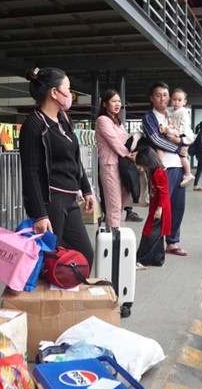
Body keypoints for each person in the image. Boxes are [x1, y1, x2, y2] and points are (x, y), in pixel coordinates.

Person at [20, 66, 95, 266]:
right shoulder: (34, 124)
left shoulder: (64, 119)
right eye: (68, 89)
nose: (70, 94)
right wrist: (40, 214)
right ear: (55, 92)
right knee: (52, 259)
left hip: (70, 198)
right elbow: (30, 172)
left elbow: (74, 159)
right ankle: (47, 295)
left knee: (85, 255)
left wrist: (86, 190)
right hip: (50, 200)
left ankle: (62, 292)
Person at [141, 82, 188, 257]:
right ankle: (154, 245)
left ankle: (172, 242)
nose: (163, 98)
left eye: (165, 95)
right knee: (160, 208)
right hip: (162, 169)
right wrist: (178, 148)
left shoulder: (175, 115)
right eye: (158, 95)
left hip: (179, 167)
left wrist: (184, 143)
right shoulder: (149, 118)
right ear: (151, 98)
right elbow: (155, 139)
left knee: (178, 206)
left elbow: (186, 134)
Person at [94, 89, 132, 228]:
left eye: (119, 101)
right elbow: (114, 141)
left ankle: (114, 236)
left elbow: (125, 141)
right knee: (114, 206)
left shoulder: (118, 122)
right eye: (113, 101)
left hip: (122, 165)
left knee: (121, 204)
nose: (117, 104)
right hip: (110, 166)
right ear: (105, 104)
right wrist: (129, 155)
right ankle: (112, 243)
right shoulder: (102, 120)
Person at [134, 145, 171, 268]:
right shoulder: (156, 172)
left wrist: (159, 209)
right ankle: (157, 258)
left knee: (149, 233)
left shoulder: (158, 173)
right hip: (158, 208)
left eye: (144, 165)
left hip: (159, 208)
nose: (143, 168)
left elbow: (163, 192)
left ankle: (142, 260)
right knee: (158, 234)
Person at [165, 88, 195, 187]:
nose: (176, 102)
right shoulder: (170, 112)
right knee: (179, 154)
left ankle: (188, 173)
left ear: (184, 102)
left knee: (183, 155)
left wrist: (174, 133)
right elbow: (169, 123)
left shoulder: (183, 112)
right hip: (175, 134)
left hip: (184, 135)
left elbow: (183, 126)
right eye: (174, 100)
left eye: (179, 100)